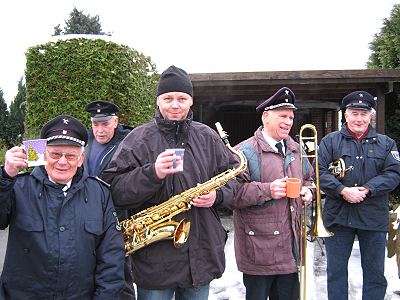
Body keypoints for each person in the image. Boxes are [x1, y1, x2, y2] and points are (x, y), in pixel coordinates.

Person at [101, 65, 239, 300]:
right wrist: (152, 173)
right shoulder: (138, 139)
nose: (175, 105)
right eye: (168, 98)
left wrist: (218, 196)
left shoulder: (207, 137)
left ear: (191, 102)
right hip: (154, 261)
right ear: (158, 101)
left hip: (200, 257)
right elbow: (113, 190)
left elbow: (235, 179)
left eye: (181, 98)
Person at [0, 115, 125, 299]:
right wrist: (5, 176)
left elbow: (111, 257)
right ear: (43, 154)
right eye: (55, 154)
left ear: (81, 159)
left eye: (70, 155)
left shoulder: (99, 193)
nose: (62, 162)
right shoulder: (17, 187)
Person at [232, 87, 314, 300]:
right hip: (259, 251)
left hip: (290, 250)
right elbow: (231, 195)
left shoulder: (297, 150)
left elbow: (310, 180)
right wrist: (267, 190)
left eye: (291, 117)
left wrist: (308, 191)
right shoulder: (243, 152)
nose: (288, 122)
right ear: (266, 116)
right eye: (283, 116)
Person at [318, 91, 400, 300]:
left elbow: (393, 173)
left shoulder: (386, 143)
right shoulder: (329, 142)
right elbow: (318, 172)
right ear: (346, 115)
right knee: (335, 273)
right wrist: (342, 190)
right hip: (338, 217)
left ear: (371, 115)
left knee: (374, 275)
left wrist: (368, 189)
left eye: (364, 114)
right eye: (354, 113)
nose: (359, 119)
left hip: (373, 217)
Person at [84, 100, 135, 300]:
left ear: (115, 122)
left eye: (105, 124)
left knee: (119, 273)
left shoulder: (129, 143)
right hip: (88, 217)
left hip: (117, 218)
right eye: (95, 124)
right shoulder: (85, 142)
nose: (99, 130)